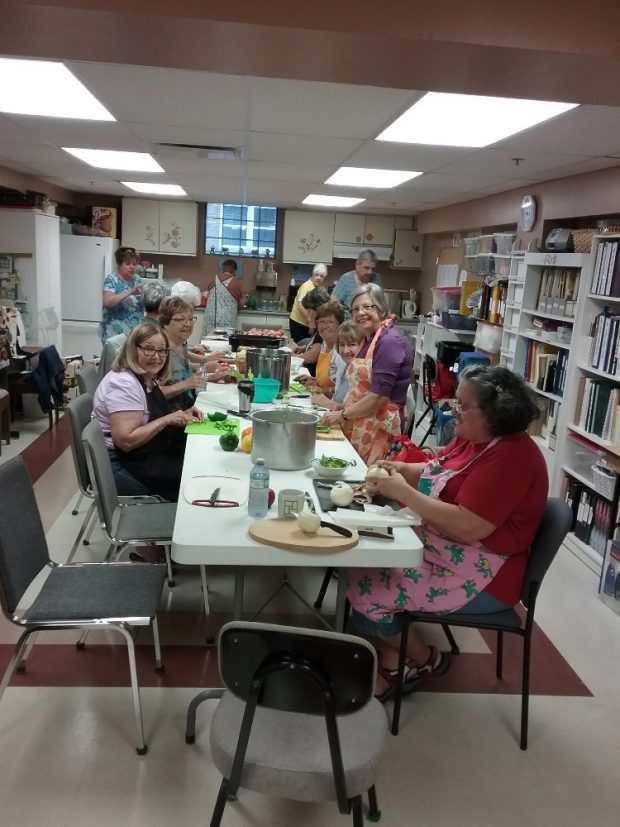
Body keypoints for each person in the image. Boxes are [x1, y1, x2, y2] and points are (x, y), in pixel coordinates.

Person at [346, 364, 548, 699]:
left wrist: (402, 492)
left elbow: (468, 525)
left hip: (484, 574)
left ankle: (425, 659)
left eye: (463, 405)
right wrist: (401, 469)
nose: (453, 409)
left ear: (495, 413)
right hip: (446, 545)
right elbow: (437, 469)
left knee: (366, 589)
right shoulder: (472, 437)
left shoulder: (512, 458)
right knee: (358, 559)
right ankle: (397, 655)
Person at [93, 322, 203, 502]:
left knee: (197, 463)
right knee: (193, 482)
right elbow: (126, 441)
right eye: (149, 349)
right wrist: (167, 419)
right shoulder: (123, 384)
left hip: (143, 453)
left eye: (162, 351)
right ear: (132, 349)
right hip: (120, 463)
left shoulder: (145, 376)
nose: (156, 357)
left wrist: (183, 413)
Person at [322, 284, 412, 464]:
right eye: (355, 309)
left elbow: (378, 398)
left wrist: (342, 415)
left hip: (379, 427)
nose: (360, 313)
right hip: (362, 421)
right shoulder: (370, 338)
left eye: (366, 307)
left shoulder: (389, 342)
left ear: (382, 308)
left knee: (368, 482)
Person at [159, 296, 229, 411]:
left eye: (191, 319)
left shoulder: (181, 344)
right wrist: (187, 384)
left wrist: (209, 378)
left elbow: (185, 380)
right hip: (172, 418)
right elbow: (152, 394)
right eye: (181, 319)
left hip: (190, 409)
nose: (188, 324)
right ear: (165, 323)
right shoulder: (161, 352)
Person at [311, 320, 364, 410]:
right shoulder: (344, 366)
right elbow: (339, 398)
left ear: (362, 345)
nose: (345, 350)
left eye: (352, 345)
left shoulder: (363, 373)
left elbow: (353, 410)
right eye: (342, 345)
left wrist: (328, 403)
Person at [100, 246, 144, 343]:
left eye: (134, 264)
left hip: (134, 334)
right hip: (115, 334)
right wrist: (130, 292)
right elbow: (108, 302)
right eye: (127, 263)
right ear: (119, 265)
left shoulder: (137, 279)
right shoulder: (112, 280)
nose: (131, 267)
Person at [297, 300, 344, 392]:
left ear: (340, 325)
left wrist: (323, 390)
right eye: (322, 322)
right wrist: (315, 381)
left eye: (330, 322)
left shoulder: (342, 351)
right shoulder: (324, 345)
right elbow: (329, 381)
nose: (325, 326)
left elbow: (344, 389)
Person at [292, 286, 331, 377]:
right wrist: (304, 348)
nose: (308, 315)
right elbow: (317, 344)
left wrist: (294, 358)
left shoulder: (325, 328)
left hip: (315, 377)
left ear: (318, 309)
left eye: (309, 311)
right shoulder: (319, 326)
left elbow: (313, 356)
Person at [331, 249, 382, 319]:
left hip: (370, 324)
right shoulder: (346, 278)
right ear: (357, 265)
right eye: (366, 268)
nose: (370, 272)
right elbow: (333, 302)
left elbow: (380, 303)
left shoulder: (377, 278)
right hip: (350, 325)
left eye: (373, 269)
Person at [203, 259, 246, 334]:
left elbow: (205, 294)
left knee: (209, 341)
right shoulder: (236, 283)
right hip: (227, 321)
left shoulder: (213, 280)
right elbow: (242, 303)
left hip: (211, 319)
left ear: (223, 269)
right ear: (234, 271)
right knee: (225, 342)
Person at [288, 263, 328, 343]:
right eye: (316, 275)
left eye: (321, 276)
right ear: (312, 275)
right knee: (303, 344)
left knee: (307, 345)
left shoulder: (315, 287)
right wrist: (310, 322)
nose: (318, 278)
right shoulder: (308, 286)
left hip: (304, 323)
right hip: (299, 322)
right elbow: (300, 305)